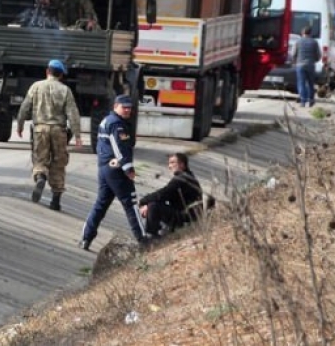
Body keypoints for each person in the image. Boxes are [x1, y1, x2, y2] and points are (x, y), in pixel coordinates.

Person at [79, 94, 144, 250]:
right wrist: (128, 168)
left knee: (100, 204)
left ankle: (86, 238)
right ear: (115, 107)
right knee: (131, 204)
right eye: (124, 107)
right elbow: (120, 148)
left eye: (129, 107)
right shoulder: (117, 124)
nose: (127, 110)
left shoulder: (108, 120)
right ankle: (144, 240)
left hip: (104, 168)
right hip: (116, 170)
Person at [16, 59, 82, 211]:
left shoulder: (36, 86)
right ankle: (55, 201)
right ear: (61, 75)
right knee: (59, 163)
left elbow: (25, 107)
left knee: (40, 158)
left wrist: (20, 125)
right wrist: (77, 135)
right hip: (59, 130)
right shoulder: (65, 90)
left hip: (40, 129)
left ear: (47, 71)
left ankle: (41, 177)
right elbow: (73, 114)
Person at [138, 153, 203, 238]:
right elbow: (165, 195)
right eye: (169, 163)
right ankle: (161, 232)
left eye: (172, 163)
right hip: (185, 214)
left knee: (153, 207)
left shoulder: (182, 179)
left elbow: (164, 194)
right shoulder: (187, 176)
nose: (169, 166)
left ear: (182, 164)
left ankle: (152, 239)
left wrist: (143, 202)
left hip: (187, 217)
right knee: (153, 205)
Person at [291, 25, 321, 107]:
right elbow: (318, 55)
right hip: (311, 65)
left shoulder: (298, 42)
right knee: (311, 83)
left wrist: (294, 62)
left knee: (301, 83)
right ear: (310, 33)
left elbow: (293, 54)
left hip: (300, 65)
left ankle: (303, 101)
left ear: (303, 32)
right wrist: (314, 60)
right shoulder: (314, 42)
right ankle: (311, 100)